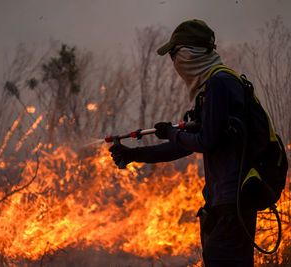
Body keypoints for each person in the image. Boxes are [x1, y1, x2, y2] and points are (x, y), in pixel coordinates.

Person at [109, 19, 257, 267]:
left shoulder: (219, 83)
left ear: (189, 53)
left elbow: (205, 141)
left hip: (232, 203)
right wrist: (135, 155)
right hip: (223, 202)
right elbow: (186, 145)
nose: (174, 63)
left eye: (174, 54)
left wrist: (171, 132)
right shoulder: (213, 85)